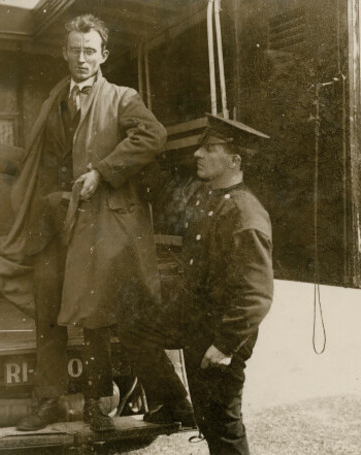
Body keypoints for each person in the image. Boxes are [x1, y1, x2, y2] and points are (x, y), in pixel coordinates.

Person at [0, 14, 166, 432]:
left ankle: (95, 406)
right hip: (51, 226)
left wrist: (102, 171)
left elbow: (153, 136)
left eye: (89, 50)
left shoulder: (122, 98)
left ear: (103, 55)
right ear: (64, 53)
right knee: (47, 317)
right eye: (74, 50)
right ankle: (49, 403)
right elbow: (37, 160)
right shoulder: (53, 101)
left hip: (96, 225)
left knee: (94, 317)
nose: (81, 58)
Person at [120, 114, 274, 455]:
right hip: (194, 321)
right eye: (201, 147)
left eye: (210, 148)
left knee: (222, 424)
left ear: (234, 160)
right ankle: (175, 402)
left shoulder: (245, 214)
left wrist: (225, 345)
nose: (198, 155)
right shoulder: (212, 198)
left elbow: (256, 295)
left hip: (219, 334)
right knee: (133, 327)